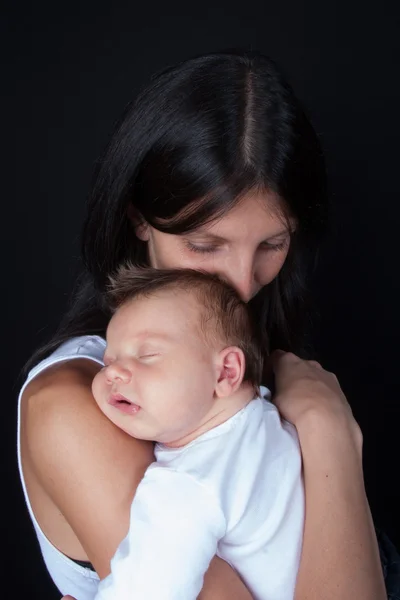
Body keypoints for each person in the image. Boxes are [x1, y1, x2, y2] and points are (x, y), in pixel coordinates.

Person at [18, 49, 391, 600]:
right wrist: (330, 431)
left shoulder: (244, 360)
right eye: (204, 245)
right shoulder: (75, 405)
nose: (242, 283)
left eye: (272, 244)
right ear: (139, 219)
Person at [91, 265, 304, 600]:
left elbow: (149, 589)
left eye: (147, 356)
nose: (114, 372)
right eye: (106, 362)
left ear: (226, 372)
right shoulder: (269, 421)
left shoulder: (187, 483)